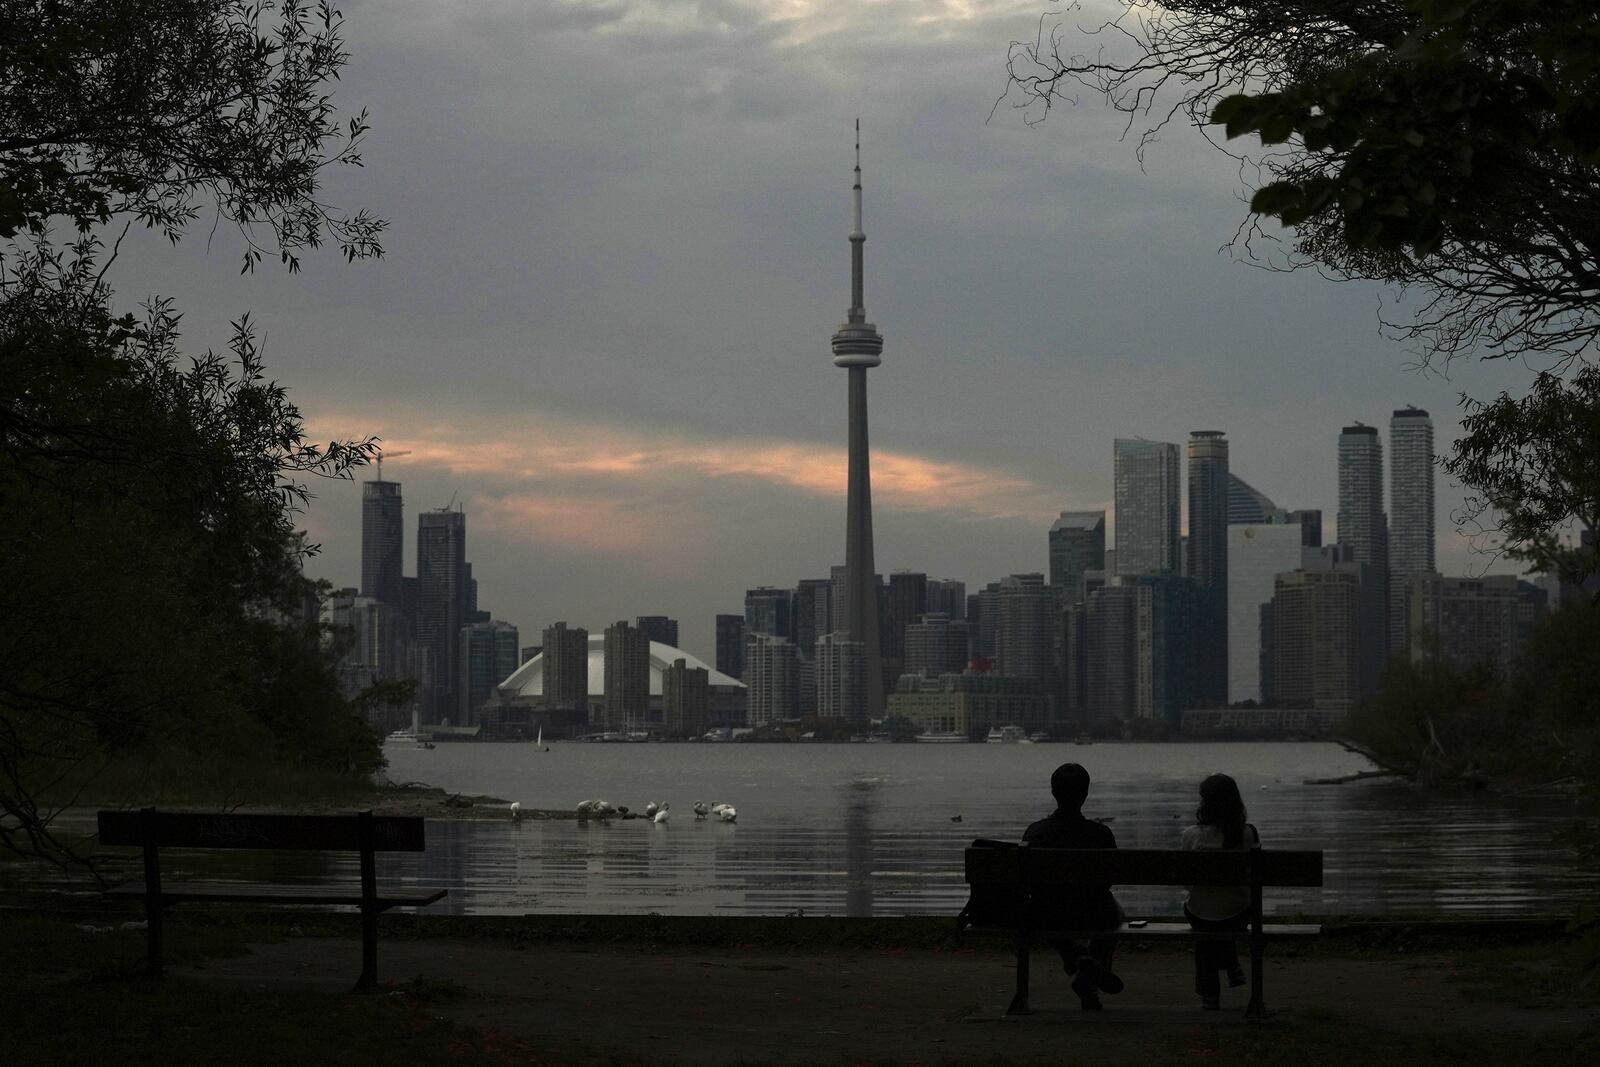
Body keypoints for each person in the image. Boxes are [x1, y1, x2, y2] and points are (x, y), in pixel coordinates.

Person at [1022, 762, 1125, 1010]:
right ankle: (1087, 977)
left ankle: (1077, 957)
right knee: (1116, 914)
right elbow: (1109, 879)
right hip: (1094, 913)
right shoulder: (1101, 834)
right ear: (1086, 794)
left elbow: (1028, 882)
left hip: (1048, 913)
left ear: (1053, 792)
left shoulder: (1035, 833)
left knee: (1040, 910)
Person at [1181, 773, 1259, 1010]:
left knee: (1206, 923)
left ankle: (1210, 994)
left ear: (1204, 802)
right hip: (1238, 915)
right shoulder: (1248, 834)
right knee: (1220, 918)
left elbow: (1187, 883)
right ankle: (1230, 963)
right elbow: (1253, 881)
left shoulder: (1191, 835)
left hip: (1199, 913)